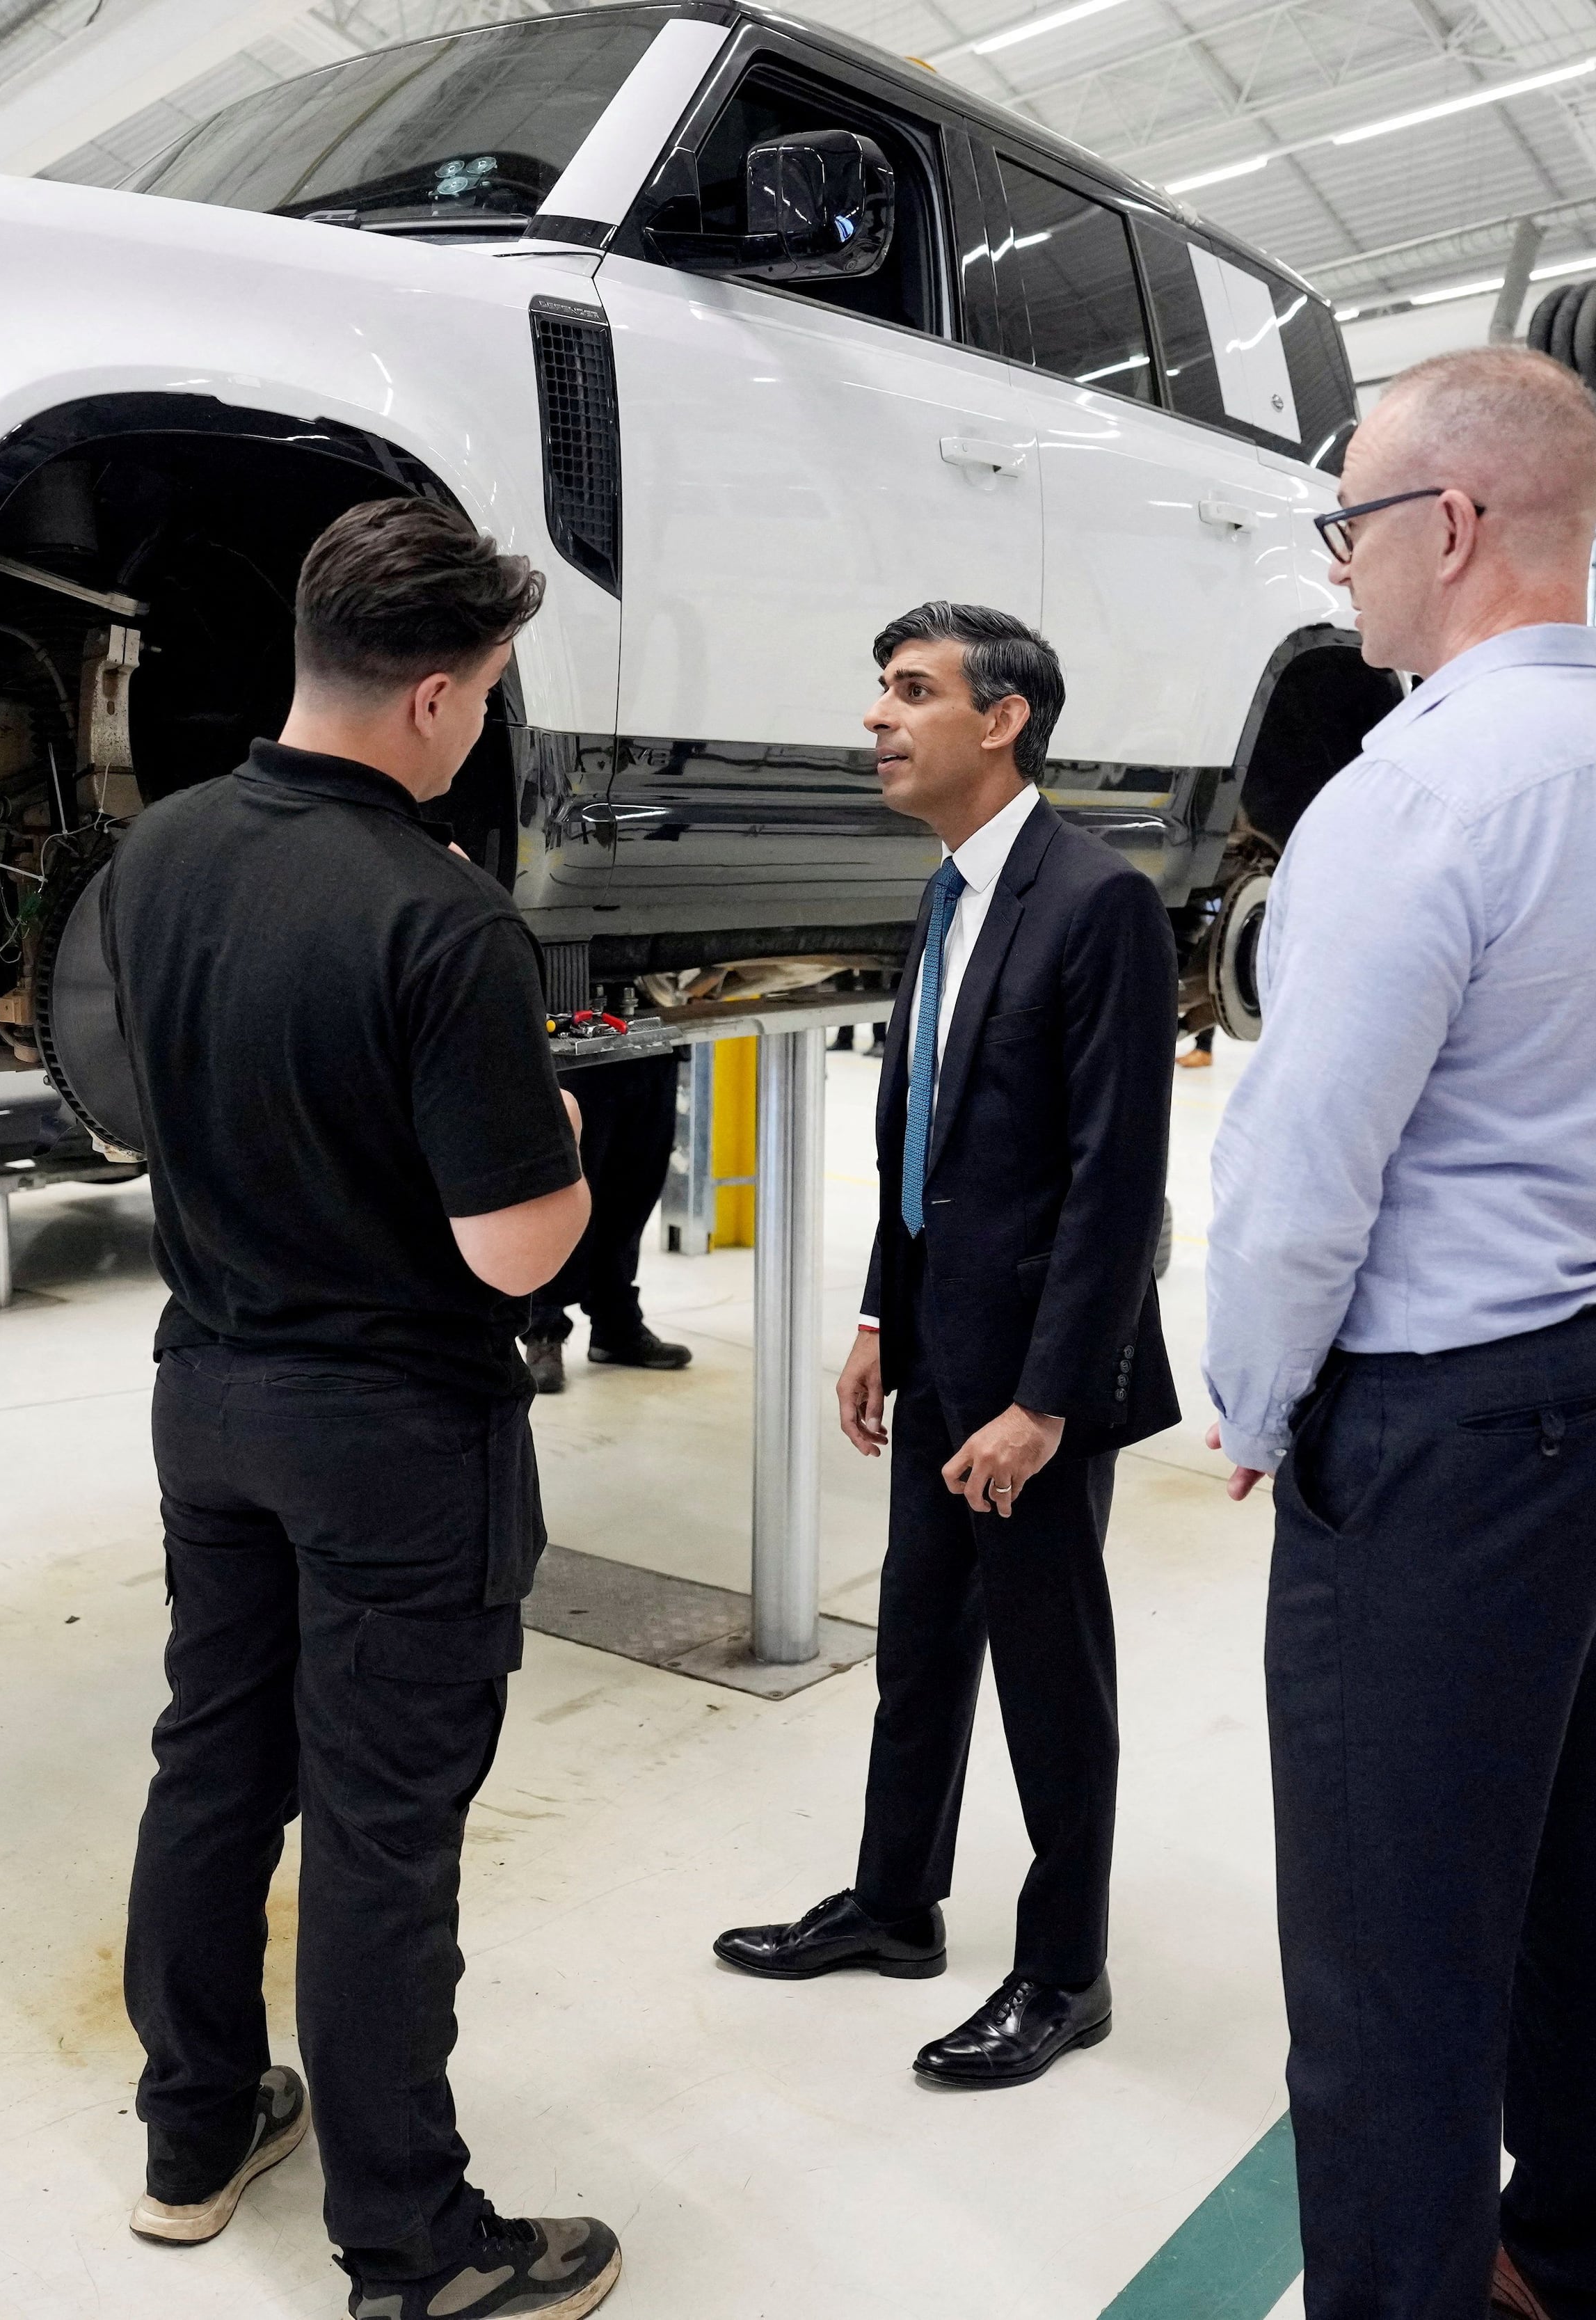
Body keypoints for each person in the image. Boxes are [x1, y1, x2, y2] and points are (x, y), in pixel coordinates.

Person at [1203, 346, 1596, 2320]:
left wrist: (1252, 1394)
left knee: (1387, 1940)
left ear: (1448, 524)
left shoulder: (1412, 790)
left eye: (1350, 523)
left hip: (1451, 1424)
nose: (1338, 567)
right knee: (1581, 1857)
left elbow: (1303, 1166)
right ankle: (1585, 2258)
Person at [104, 496, 623, 2320]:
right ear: (427, 694)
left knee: (213, 1763)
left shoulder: (156, 855)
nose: (481, 721)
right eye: (483, 690)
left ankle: (194, 2127)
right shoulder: (443, 918)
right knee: (386, 1833)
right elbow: (515, 1254)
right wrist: (552, 1133)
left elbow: (121, 1103)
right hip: (394, 1430)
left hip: (208, 1390)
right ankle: (413, 2245)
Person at [712, 602, 1179, 2091]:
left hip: (1033, 1383)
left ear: (1005, 718)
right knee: (917, 1653)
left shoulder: (1094, 898)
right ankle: (895, 1904)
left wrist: (1048, 1400)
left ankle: (1063, 1968)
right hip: (938, 1358)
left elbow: (1118, 1180)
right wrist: (875, 1317)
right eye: (879, 691)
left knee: (1051, 1679)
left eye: (910, 692)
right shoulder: (944, 896)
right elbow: (923, 1134)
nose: (876, 718)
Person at [521, 1052, 692, 1391]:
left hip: (653, 1036)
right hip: (575, 1041)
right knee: (566, 1184)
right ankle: (543, 1329)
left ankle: (616, 1325)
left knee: (637, 1184)